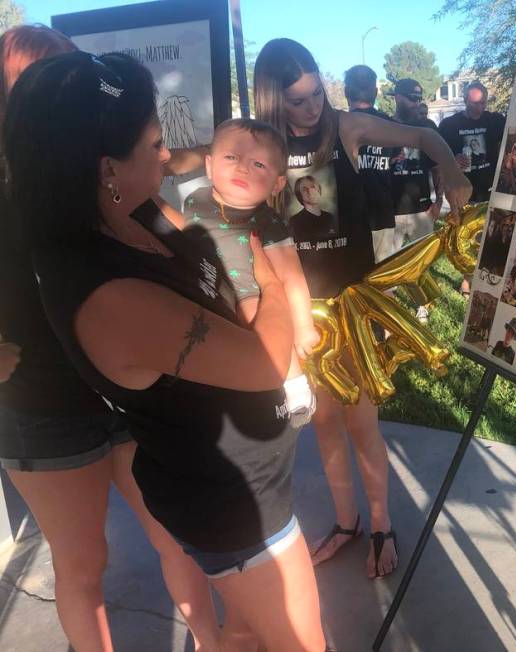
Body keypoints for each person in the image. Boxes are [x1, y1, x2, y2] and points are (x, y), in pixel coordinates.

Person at [6, 51, 325, 651]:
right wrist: (277, 282)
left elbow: (216, 273)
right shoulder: (110, 294)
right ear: (106, 167)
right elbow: (261, 364)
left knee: (248, 634)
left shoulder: (135, 212)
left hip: (248, 483)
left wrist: (253, 289)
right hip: (233, 505)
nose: (165, 156)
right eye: (154, 143)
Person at [0, 28, 220, 652]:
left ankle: (213, 641)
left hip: (129, 394)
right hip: (42, 408)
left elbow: (188, 240)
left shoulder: (103, 175)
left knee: (175, 532)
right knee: (83, 565)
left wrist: (248, 248)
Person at [253, 39, 471, 578]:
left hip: (352, 304)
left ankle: (380, 525)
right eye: (297, 101)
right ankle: (346, 522)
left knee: (361, 423)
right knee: (325, 422)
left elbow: (423, 135)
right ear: (273, 100)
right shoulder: (265, 143)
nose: (311, 109)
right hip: (304, 310)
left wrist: (450, 169)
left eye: (315, 95)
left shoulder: (345, 128)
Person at [166, 118, 318, 425]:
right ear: (209, 166)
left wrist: (303, 325)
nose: (242, 168)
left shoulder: (267, 222)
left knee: (251, 312)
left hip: (247, 291)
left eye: (259, 164)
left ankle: (295, 385)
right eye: (231, 157)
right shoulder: (195, 201)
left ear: (277, 183)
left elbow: (292, 275)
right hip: (203, 286)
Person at [387, 77, 443, 322]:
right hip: (390, 211)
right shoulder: (383, 126)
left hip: (422, 209)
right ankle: (390, 312)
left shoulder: (428, 127)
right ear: (398, 97)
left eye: (419, 98)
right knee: (389, 265)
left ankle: (422, 305)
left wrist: (439, 200)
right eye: (412, 98)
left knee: (420, 262)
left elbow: (438, 167)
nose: (416, 103)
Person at [344, 64, 396, 263]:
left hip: (348, 218)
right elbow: (395, 157)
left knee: (352, 280)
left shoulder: (337, 125)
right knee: (382, 280)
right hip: (381, 212)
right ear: (375, 92)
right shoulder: (390, 125)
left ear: (346, 91)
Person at [437, 82, 505, 204]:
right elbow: (436, 161)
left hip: (493, 194)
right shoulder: (448, 125)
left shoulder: (495, 120)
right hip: (463, 195)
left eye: (483, 103)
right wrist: (451, 162)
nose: (479, 108)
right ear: (465, 100)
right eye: (474, 103)